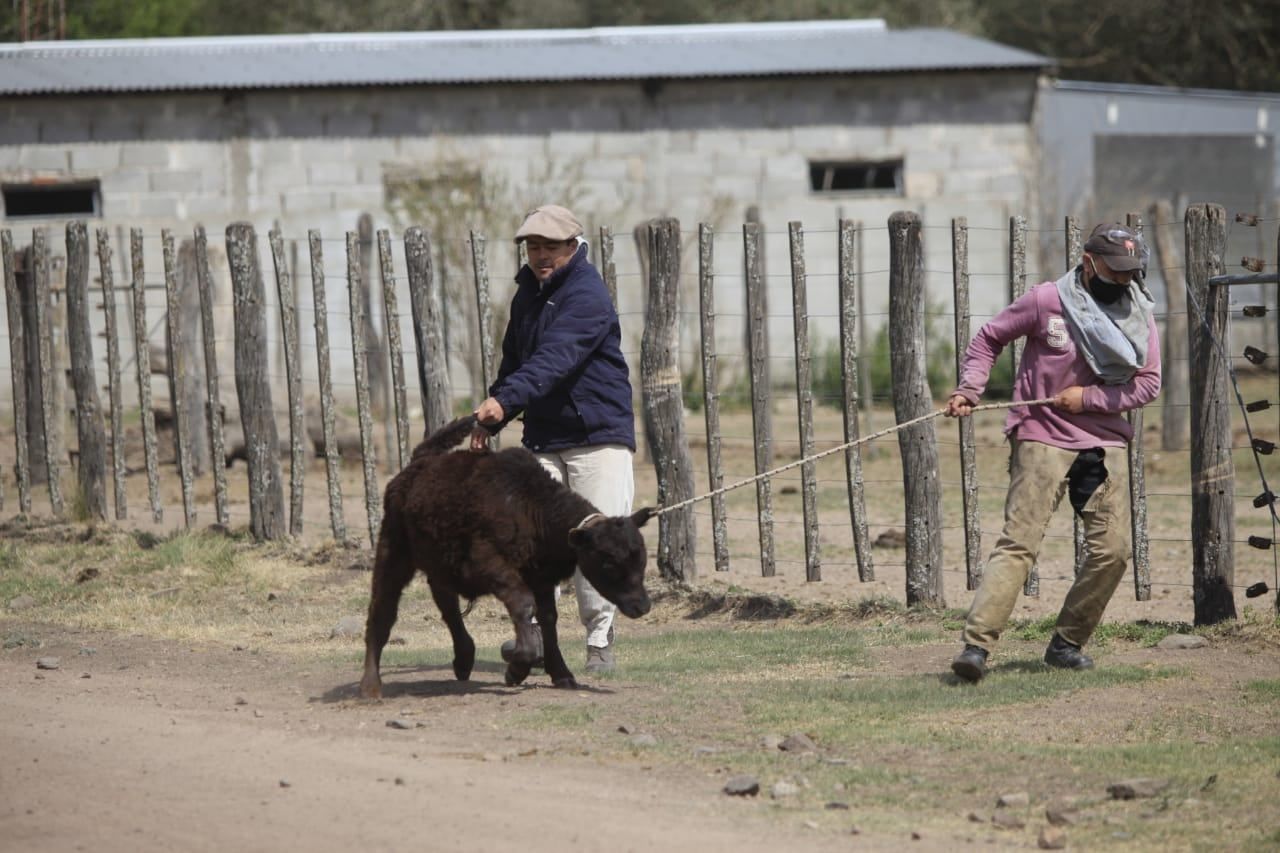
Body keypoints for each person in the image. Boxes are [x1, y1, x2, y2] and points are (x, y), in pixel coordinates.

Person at [945, 223, 1162, 683]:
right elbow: (989, 337)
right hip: (1040, 434)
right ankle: (976, 648)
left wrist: (1088, 400)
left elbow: (1148, 383)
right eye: (1115, 270)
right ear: (1089, 263)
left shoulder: (1140, 316)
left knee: (1115, 551)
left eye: (1131, 272)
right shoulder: (1047, 301)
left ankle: (1066, 644)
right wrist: (970, 388)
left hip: (1103, 441)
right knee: (1019, 543)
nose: (1124, 280)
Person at [470, 204, 636, 674]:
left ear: (572, 246)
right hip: (544, 437)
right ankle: (535, 636)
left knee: (598, 543)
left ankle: (599, 641)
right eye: (533, 247)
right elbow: (516, 366)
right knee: (532, 542)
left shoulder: (587, 294)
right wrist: (493, 418)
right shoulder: (527, 295)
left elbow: (556, 359)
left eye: (550, 247)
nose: (541, 256)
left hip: (596, 436)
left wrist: (504, 402)